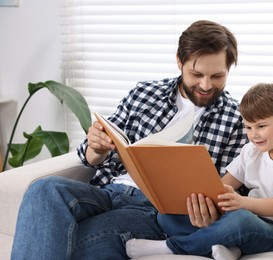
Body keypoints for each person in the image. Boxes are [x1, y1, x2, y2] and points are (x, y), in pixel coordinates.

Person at [11, 20, 248, 260]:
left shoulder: (237, 120)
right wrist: (96, 147)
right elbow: (90, 156)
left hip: (156, 211)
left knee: (79, 241)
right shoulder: (144, 93)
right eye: (196, 74)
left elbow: (232, 191)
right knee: (43, 189)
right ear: (179, 61)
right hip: (108, 192)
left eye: (217, 76)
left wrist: (210, 212)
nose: (206, 85)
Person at [126, 83, 273, 260]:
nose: (253, 135)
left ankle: (174, 248)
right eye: (248, 127)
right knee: (167, 216)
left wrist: (241, 202)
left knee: (240, 220)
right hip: (250, 220)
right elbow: (222, 186)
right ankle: (229, 246)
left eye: (261, 126)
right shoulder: (251, 151)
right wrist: (205, 204)